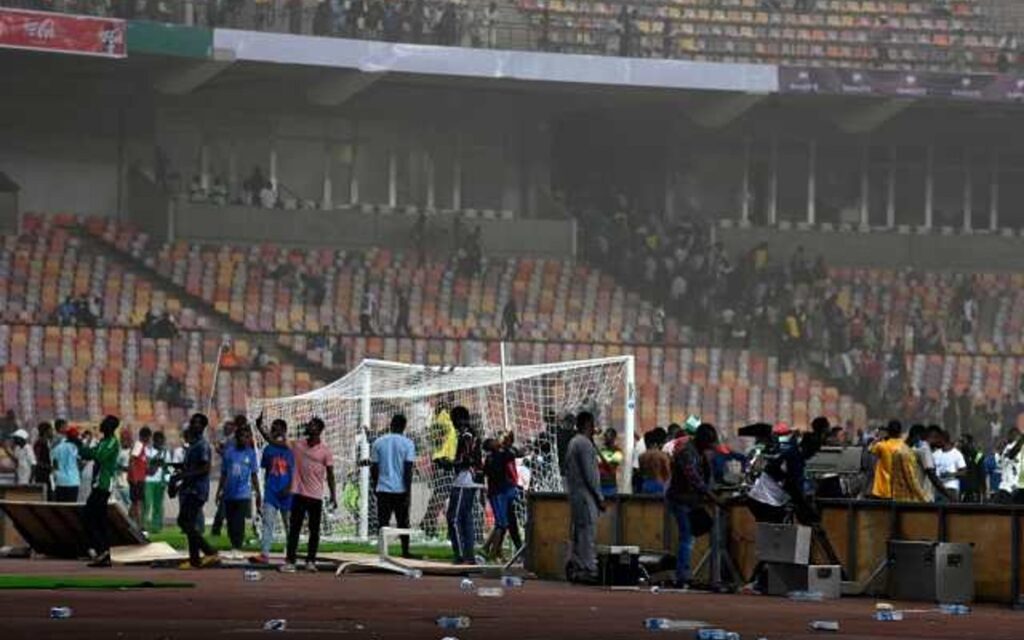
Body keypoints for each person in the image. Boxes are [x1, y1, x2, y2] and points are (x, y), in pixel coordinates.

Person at [665, 423, 721, 589]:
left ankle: (685, 573)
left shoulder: (699, 453)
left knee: (690, 536)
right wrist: (713, 497)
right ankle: (683, 575)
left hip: (690, 500)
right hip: (681, 499)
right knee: (687, 538)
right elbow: (694, 478)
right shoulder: (687, 453)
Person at [284, 417, 337, 573]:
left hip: (316, 497)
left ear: (319, 430)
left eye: (312, 425)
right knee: (294, 529)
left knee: (314, 531)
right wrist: (261, 429)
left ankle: (310, 561)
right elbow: (276, 443)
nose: (308, 426)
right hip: (299, 494)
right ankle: (290, 562)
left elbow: (331, 475)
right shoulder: (298, 445)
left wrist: (333, 495)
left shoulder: (325, 451)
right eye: (309, 424)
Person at [172, 413, 220, 569]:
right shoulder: (192, 445)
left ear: (203, 427)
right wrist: (179, 472)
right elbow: (191, 467)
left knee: (184, 521)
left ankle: (208, 551)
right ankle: (195, 559)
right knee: (189, 523)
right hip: (189, 488)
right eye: (193, 422)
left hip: (197, 490)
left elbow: (204, 468)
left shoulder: (202, 445)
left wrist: (182, 475)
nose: (194, 425)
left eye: (198, 423)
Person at [76, 416, 122, 567]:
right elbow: (87, 453)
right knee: (97, 518)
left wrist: (86, 449)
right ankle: (103, 552)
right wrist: (81, 446)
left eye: (105, 423)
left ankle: (102, 551)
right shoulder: (103, 442)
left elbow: (98, 456)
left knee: (90, 516)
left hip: (103, 484)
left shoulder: (112, 442)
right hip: (97, 484)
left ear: (110, 427)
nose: (101, 425)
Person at [563, 411, 604, 583]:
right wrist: (599, 496)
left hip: (575, 494)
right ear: (588, 424)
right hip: (586, 495)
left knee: (579, 532)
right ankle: (587, 568)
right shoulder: (585, 444)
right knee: (587, 531)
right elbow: (590, 474)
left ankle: (576, 565)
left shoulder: (573, 442)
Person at [370, 414, 416, 559]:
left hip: (383, 488)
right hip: (400, 489)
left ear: (391, 425)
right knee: (403, 522)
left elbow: (374, 467)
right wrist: (408, 492)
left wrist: (376, 485)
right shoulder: (408, 443)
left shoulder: (378, 442)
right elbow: (408, 469)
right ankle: (405, 551)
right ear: (404, 427)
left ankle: (382, 553)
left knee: (383, 522)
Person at [253, 415, 295, 564]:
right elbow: (267, 468)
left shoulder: (292, 448)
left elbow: (295, 471)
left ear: (284, 430)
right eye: (273, 428)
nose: (274, 431)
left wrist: (290, 488)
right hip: (271, 491)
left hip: (287, 493)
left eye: (277, 428)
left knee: (289, 525)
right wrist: (267, 487)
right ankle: (264, 554)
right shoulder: (268, 449)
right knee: (268, 523)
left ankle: (291, 554)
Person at [217, 421, 261, 559]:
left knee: (239, 521)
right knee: (230, 522)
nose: (245, 439)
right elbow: (224, 473)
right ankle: (233, 544)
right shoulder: (229, 453)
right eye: (242, 436)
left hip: (244, 493)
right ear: (237, 438)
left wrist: (258, 492)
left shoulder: (251, 454)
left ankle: (237, 546)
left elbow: (254, 474)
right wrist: (219, 490)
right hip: (229, 492)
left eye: (247, 437)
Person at [446, 406, 483, 565]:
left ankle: (460, 555)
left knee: (453, 518)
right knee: (466, 517)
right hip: (471, 480)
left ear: (458, 420)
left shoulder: (466, 436)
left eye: (453, 420)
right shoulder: (470, 434)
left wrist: (449, 463)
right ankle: (469, 555)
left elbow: (467, 460)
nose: (452, 424)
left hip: (464, 480)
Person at [482, 431, 522, 561]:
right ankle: (492, 554)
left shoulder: (494, 457)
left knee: (502, 523)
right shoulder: (500, 456)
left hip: (499, 492)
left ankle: (488, 549)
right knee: (502, 524)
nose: (496, 440)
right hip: (499, 493)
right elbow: (510, 468)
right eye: (493, 441)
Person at [423, 402, 457, 539]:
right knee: (441, 498)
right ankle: (428, 525)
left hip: (441, 461)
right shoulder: (444, 418)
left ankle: (427, 525)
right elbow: (436, 434)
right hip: (444, 461)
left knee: (439, 497)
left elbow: (432, 435)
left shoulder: (439, 420)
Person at [907, 424, 950, 503]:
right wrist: (949, 495)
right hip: (922, 499)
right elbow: (932, 475)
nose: (942, 442)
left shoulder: (917, 447)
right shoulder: (925, 448)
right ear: (934, 436)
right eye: (940, 438)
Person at [143, 431, 169, 533]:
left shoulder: (166, 453)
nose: (161, 443)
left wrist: (166, 482)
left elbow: (168, 468)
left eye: (162, 441)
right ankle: (144, 525)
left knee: (158, 505)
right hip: (148, 481)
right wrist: (157, 462)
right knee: (147, 503)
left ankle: (157, 527)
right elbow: (147, 465)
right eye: (158, 441)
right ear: (154, 441)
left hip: (160, 482)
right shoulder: (148, 451)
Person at [932, 429, 967, 502]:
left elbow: (964, 472)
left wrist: (950, 474)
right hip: (938, 489)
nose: (936, 441)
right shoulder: (935, 454)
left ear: (943, 439)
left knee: (950, 512)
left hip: (951, 488)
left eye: (938, 439)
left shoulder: (956, 454)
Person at [51, 426, 82, 503]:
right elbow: (80, 463)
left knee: (61, 506)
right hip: (73, 481)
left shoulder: (57, 448)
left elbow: (55, 464)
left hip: (60, 481)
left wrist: (57, 474)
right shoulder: (76, 448)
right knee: (71, 506)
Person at [128, 427, 152, 527]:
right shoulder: (139, 445)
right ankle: (139, 525)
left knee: (136, 502)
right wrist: (134, 477)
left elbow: (141, 464)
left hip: (140, 478)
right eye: (149, 437)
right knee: (138, 502)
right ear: (146, 437)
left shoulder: (143, 448)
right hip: (136, 479)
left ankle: (129, 521)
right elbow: (132, 460)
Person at [637, 428, 670, 495]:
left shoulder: (641, 456)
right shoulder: (663, 455)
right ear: (655, 443)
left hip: (646, 483)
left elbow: (641, 472)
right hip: (660, 483)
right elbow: (667, 472)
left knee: (648, 504)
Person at [597, 428, 623, 497]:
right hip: (599, 486)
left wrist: (601, 455)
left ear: (613, 437)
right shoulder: (602, 450)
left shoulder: (618, 452)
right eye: (605, 436)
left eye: (607, 436)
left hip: (610, 486)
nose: (605, 438)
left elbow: (611, 468)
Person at [32, 422, 54, 498]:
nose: (52, 432)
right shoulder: (39, 444)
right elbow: (37, 460)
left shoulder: (47, 443)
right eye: (51, 430)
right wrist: (49, 467)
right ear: (46, 431)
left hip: (47, 474)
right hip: (41, 475)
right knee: (45, 496)